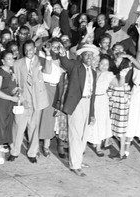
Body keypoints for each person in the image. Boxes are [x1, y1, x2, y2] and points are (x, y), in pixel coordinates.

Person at [58, 44, 98, 177]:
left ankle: (78, 160)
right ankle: (75, 165)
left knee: (84, 134)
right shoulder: (76, 67)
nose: (89, 57)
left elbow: (92, 95)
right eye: (86, 54)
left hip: (87, 103)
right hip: (76, 103)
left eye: (91, 55)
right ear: (81, 56)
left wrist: (92, 113)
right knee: (75, 134)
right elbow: (65, 62)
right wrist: (62, 53)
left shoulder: (93, 72)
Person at [8, 40, 49, 163]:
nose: (28, 52)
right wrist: (22, 98)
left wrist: (48, 54)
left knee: (34, 127)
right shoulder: (17, 63)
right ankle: (14, 151)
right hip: (22, 99)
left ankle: (32, 152)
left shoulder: (41, 61)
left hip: (37, 100)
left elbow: (49, 70)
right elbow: (14, 83)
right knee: (18, 126)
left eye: (30, 49)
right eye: (26, 50)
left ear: (35, 49)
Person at [109, 43, 140, 159]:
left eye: (121, 49)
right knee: (109, 120)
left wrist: (129, 57)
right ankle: (106, 143)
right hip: (111, 92)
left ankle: (122, 152)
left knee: (121, 124)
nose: (118, 50)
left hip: (123, 94)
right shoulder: (109, 62)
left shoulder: (128, 62)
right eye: (115, 48)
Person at [87, 55, 119, 156]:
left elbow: (118, 84)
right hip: (89, 99)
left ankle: (98, 147)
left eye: (106, 64)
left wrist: (122, 75)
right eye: (102, 63)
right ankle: (84, 144)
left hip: (101, 100)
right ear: (98, 63)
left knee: (99, 122)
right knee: (88, 121)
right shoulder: (91, 70)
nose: (104, 66)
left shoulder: (109, 75)